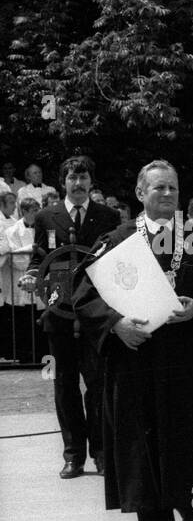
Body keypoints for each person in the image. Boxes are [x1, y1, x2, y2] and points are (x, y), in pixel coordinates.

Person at [71, 160, 193, 521]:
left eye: (173, 189)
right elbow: (80, 294)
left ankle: (187, 503)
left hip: (187, 361)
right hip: (137, 361)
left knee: (185, 436)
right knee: (141, 443)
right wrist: (115, 325)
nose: (167, 195)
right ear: (140, 193)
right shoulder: (116, 239)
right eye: (159, 188)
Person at [21, 155, 121, 479]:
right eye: (72, 179)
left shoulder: (109, 216)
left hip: (97, 316)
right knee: (63, 385)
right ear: (63, 182)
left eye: (84, 179)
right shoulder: (46, 217)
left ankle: (103, 453)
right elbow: (39, 259)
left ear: (92, 182)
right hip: (59, 314)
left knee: (98, 384)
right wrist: (31, 276)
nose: (78, 185)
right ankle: (73, 455)